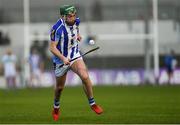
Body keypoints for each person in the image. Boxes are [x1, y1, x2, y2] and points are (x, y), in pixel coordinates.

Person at [49, 5, 103, 121]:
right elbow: (52, 48)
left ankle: (92, 103)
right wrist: (63, 58)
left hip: (74, 55)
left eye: (74, 15)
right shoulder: (56, 29)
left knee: (85, 76)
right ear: (63, 17)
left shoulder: (76, 22)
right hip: (60, 60)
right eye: (70, 16)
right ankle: (56, 107)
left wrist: (77, 36)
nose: (73, 18)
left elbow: (75, 30)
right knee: (59, 88)